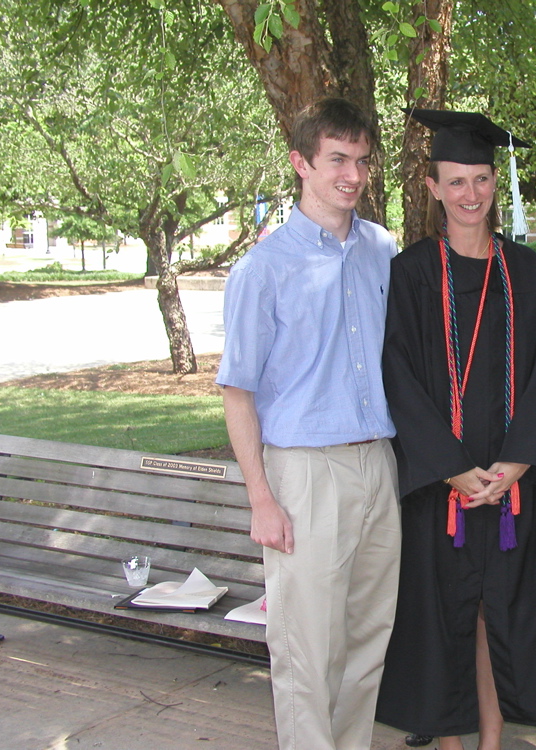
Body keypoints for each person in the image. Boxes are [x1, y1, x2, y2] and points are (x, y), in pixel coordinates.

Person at [375, 109, 536, 750]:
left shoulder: (528, 270)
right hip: (445, 486)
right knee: (445, 618)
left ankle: (491, 742)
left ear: (496, 183)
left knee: (502, 618)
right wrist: (452, 468)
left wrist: (518, 462)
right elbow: (399, 376)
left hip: (509, 484)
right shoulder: (411, 272)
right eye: (456, 181)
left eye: (482, 180)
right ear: (433, 187)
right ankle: (449, 743)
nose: (471, 195)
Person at [215, 98, 401, 750]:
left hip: (379, 462)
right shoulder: (262, 269)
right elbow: (237, 393)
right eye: (336, 160)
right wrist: (261, 498)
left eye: (361, 160)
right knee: (305, 647)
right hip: (304, 473)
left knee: (366, 639)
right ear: (302, 163)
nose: (351, 174)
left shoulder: (383, 249)